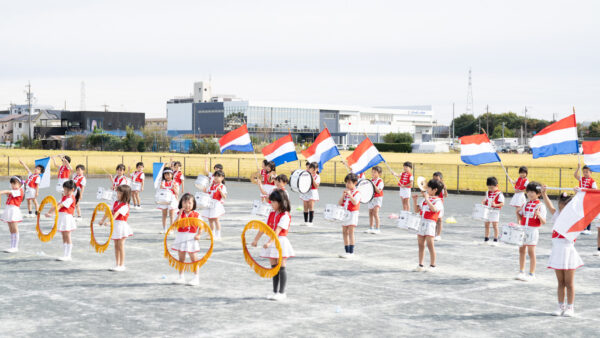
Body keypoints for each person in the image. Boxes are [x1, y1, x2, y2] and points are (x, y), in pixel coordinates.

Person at [542, 187, 582, 317]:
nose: (562, 208)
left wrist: (578, 195)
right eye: (561, 205)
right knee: (560, 283)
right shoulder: (556, 216)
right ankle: (560, 306)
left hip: (568, 252)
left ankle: (570, 307)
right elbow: (549, 205)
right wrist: (543, 193)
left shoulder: (574, 218)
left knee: (569, 283)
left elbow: (580, 209)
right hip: (557, 252)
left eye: (566, 206)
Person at [252, 189, 294, 300]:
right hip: (271, 240)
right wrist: (256, 239)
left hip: (280, 241)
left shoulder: (285, 215)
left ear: (281, 202)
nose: (272, 204)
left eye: (274, 202)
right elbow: (263, 228)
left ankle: (282, 292)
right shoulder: (271, 213)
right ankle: (275, 292)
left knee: (281, 266)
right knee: (273, 267)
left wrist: (269, 242)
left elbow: (278, 230)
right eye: (271, 201)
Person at [516, 182, 547, 281]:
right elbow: (521, 219)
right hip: (523, 229)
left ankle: (532, 273)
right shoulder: (525, 204)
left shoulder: (541, 206)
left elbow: (544, 222)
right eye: (528, 191)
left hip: (533, 231)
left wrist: (539, 215)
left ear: (539, 193)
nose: (530, 194)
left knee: (531, 252)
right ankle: (521, 271)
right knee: (521, 250)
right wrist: (517, 213)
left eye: (532, 192)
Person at [98, 185, 133, 271]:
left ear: (125, 194)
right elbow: (109, 212)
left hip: (121, 226)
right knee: (116, 246)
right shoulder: (116, 203)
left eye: (120, 193)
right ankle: (117, 264)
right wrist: (102, 220)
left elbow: (117, 213)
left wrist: (110, 222)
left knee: (120, 245)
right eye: (118, 192)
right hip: (116, 226)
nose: (118, 194)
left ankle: (122, 265)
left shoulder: (125, 205)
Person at [412, 179, 444, 272]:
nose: (427, 189)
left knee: (430, 245)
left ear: (435, 190)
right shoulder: (424, 200)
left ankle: (433, 265)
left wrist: (427, 198)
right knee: (420, 244)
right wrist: (415, 200)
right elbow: (416, 210)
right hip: (422, 222)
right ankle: (420, 264)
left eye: (429, 188)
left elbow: (434, 209)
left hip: (430, 224)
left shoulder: (438, 201)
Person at [172, 193, 202, 286]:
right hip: (181, 236)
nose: (187, 205)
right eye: (185, 202)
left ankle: (196, 277)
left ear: (193, 204)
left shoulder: (196, 214)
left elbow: (201, 226)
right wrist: (180, 214)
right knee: (181, 258)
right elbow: (176, 224)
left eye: (189, 203)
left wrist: (198, 234)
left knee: (194, 258)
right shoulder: (179, 213)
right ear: (181, 203)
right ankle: (181, 276)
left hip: (191, 238)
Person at [46, 180, 80, 261]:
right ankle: (65, 254)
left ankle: (68, 255)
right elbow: (56, 205)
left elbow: (60, 206)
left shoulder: (71, 198)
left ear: (72, 190)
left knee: (67, 236)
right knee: (63, 236)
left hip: (67, 217)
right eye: (64, 189)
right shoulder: (64, 197)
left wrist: (52, 214)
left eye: (67, 190)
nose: (65, 191)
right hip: (62, 217)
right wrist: (48, 212)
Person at [338, 173, 361, 259]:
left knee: (351, 232)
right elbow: (339, 203)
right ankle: (346, 251)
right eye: (346, 182)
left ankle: (351, 252)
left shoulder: (357, 193)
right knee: (344, 232)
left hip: (353, 214)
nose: (347, 184)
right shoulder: (345, 192)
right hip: (345, 213)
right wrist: (343, 196)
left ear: (355, 183)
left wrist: (350, 195)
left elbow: (355, 202)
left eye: (349, 182)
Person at [1, 176, 24, 253]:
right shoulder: (14, 190)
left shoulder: (19, 191)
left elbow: (7, 192)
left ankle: (15, 247)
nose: (13, 186)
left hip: (14, 210)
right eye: (12, 184)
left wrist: (2, 192)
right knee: (11, 229)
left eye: (15, 184)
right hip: (9, 209)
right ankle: (12, 246)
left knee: (15, 229)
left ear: (20, 184)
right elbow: (8, 193)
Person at [202, 170, 227, 240]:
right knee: (210, 220)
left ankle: (218, 234)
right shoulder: (212, 186)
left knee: (216, 219)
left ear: (222, 178)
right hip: (210, 203)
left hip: (216, 204)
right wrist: (204, 190)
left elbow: (224, 197)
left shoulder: (222, 186)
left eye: (218, 176)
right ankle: (211, 234)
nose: (216, 178)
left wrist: (220, 191)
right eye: (215, 176)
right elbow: (207, 193)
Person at [575, 164, 596, 235]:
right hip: (581, 199)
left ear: (591, 172)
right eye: (584, 172)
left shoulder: (593, 181)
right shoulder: (582, 179)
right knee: (581, 214)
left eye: (587, 172)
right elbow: (575, 175)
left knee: (588, 214)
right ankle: (583, 228)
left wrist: (585, 189)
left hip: (589, 200)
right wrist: (578, 168)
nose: (585, 173)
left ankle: (588, 229)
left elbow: (594, 190)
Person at [482, 177, 504, 246]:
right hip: (487, 210)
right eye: (489, 188)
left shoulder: (499, 193)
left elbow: (502, 203)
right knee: (486, 225)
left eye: (492, 188)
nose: (490, 189)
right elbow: (486, 199)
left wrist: (496, 204)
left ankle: (495, 240)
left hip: (495, 211)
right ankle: (486, 239)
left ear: (496, 186)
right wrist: (483, 201)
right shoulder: (488, 192)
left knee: (495, 225)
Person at [157, 167, 179, 234]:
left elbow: (177, 193)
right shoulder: (162, 182)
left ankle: (171, 229)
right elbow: (159, 191)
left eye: (169, 174)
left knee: (171, 215)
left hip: (172, 199)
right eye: (166, 175)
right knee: (164, 214)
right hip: (164, 199)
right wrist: (161, 187)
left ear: (172, 175)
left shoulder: (175, 183)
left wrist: (173, 188)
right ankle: (164, 229)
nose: (167, 176)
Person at [299, 162, 320, 226]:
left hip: (312, 192)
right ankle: (305, 221)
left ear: (317, 169)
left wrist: (312, 178)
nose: (312, 170)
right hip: (306, 191)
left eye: (314, 169)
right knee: (305, 206)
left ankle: (310, 222)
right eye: (311, 168)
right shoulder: (306, 175)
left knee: (311, 206)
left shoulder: (317, 176)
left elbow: (316, 186)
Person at [366, 166, 384, 234]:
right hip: (371, 198)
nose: (373, 173)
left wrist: (373, 184)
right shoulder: (371, 180)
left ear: (379, 173)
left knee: (375, 212)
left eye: (375, 172)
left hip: (378, 198)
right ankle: (371, 227)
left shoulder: (380, 181)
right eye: (372, 172)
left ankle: (377, 228)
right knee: (370, 213)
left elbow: (378, 191)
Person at [432, 171, 447, 241]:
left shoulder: (442, 186)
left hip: (439, 204)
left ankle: (438, 235)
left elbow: (445, 195)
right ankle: (433, 233)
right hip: (432, 203)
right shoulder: (431, 185)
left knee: (439, 220)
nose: (435, 180)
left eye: (437, 179)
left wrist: (445, 189)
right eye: (434, 178)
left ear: (441, 179)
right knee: (433, 219)